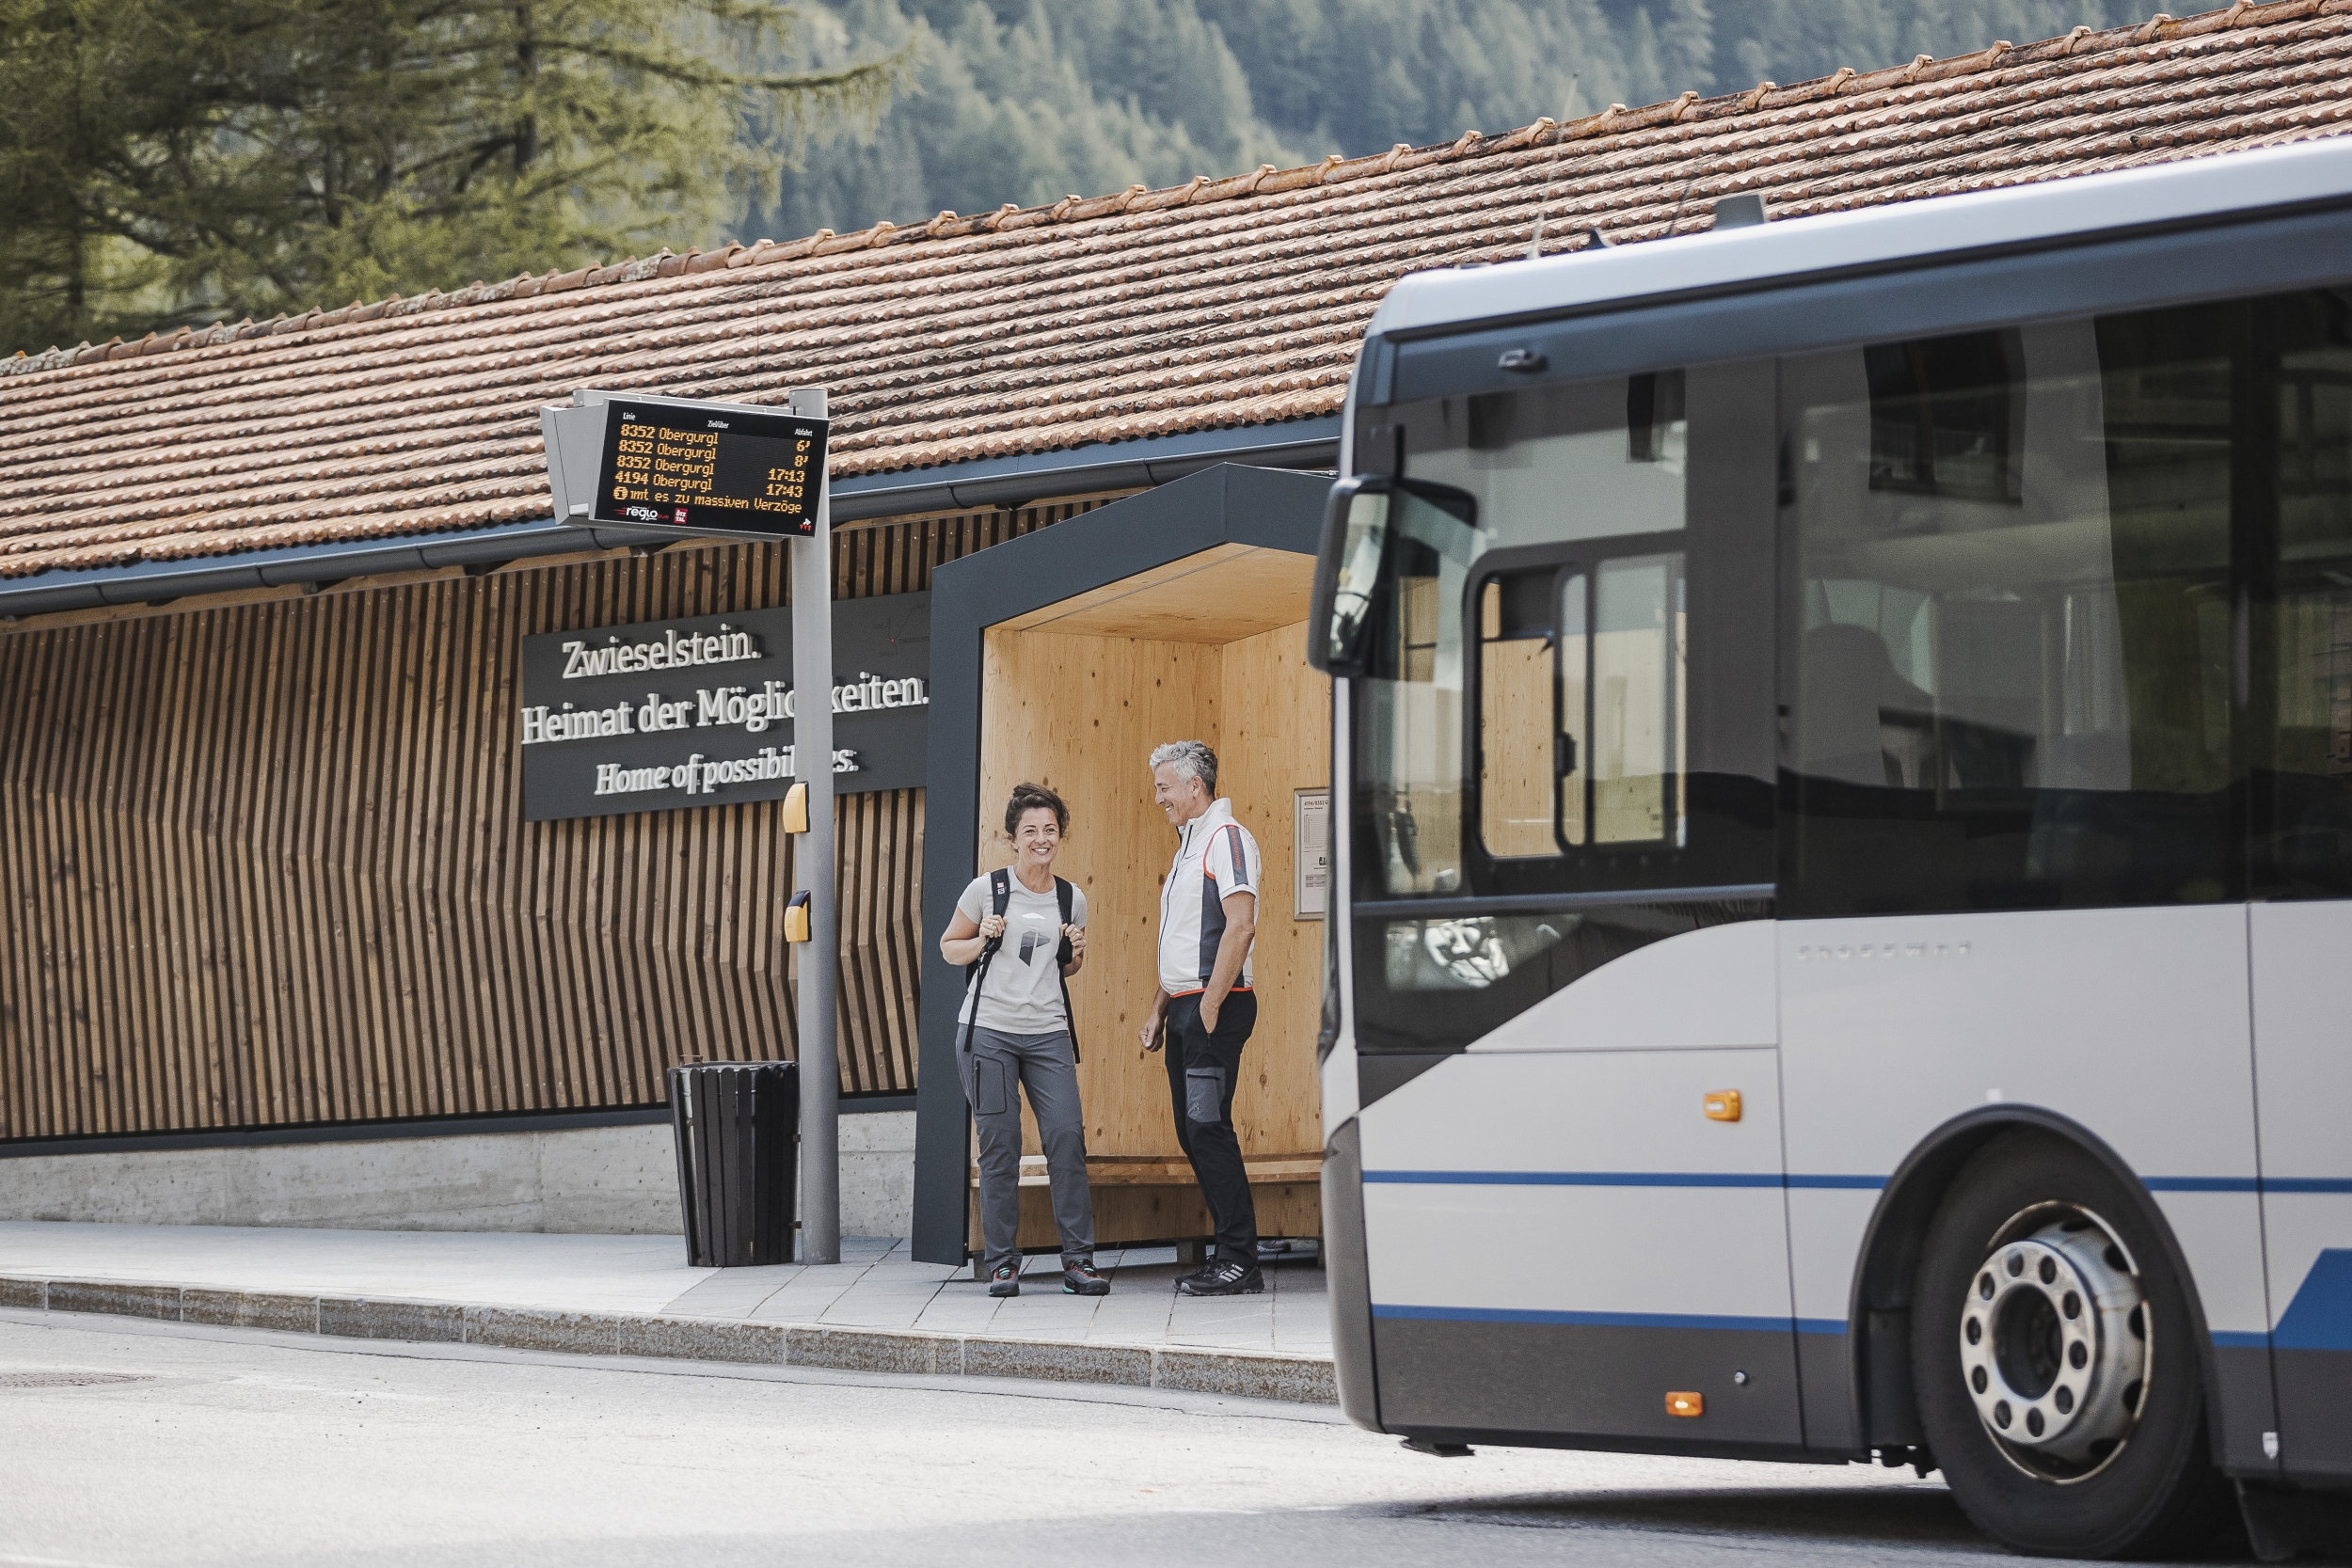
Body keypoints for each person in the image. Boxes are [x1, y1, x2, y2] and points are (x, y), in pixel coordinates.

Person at [939, 782, 1106, 1299]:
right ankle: (1003, 1264)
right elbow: (949, 949)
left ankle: (1078, 1262)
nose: (1041, 839)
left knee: (1065, 1140)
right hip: (988, 1032)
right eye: (1030, 830)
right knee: (1000, 1148)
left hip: (1048, 1033)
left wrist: (1075, 950)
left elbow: (1068, 967)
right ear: (1013, 837)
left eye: (1049, 830)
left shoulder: (1069, 897)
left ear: (1060, 836)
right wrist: (983, 937)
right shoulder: (986, 889)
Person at [1136, 740, 1264, 1296]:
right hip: (1189, 1007)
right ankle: (1228, 1254)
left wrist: (1208, 1007)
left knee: (1208, 1127)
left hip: (1219, 1004)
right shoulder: (1187, 847)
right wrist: (1160, 1009)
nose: (1158, 797)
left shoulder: (1227, 839)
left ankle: (1240, 1259)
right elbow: (1185, 943)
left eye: (1165, 786)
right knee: (1193, 1130)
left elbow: (1241, 927)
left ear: (1195, 787)